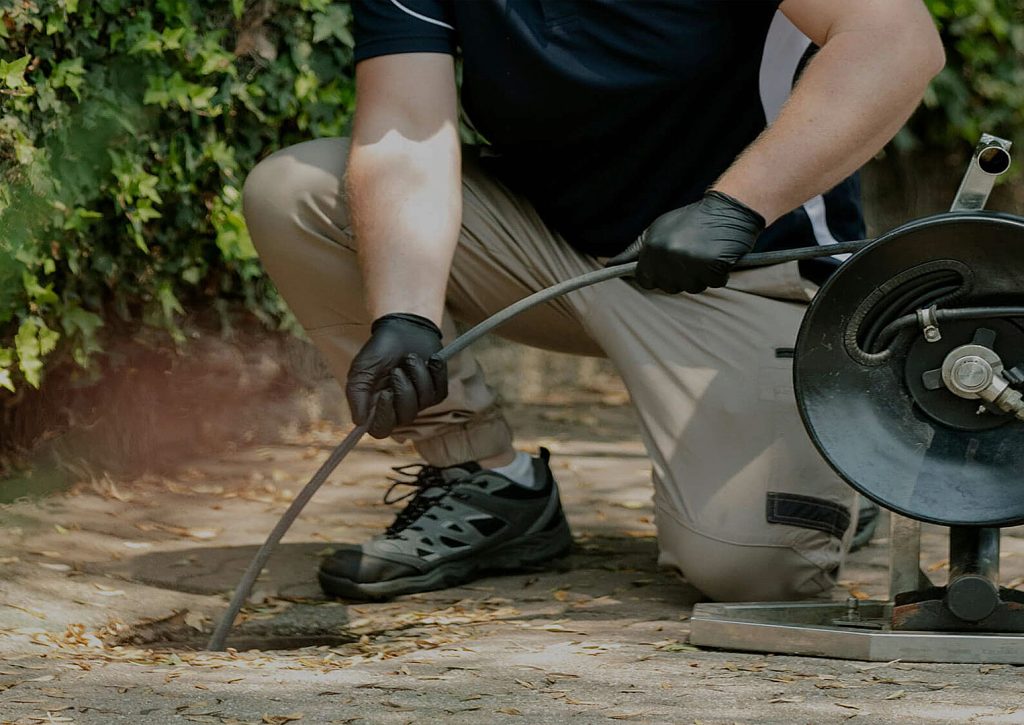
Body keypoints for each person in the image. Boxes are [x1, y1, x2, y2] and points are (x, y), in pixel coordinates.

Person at [242, 0, 944, 602]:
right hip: (546, 252)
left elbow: (895, 39)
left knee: (750, 569)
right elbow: (406, 128)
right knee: (296, 194)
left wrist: (737, 206)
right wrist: (405, 314)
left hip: (742, 266)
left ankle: (836, 466)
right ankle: (484, 480)